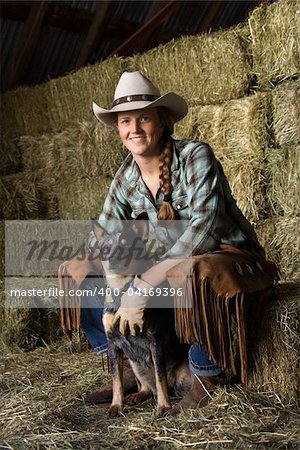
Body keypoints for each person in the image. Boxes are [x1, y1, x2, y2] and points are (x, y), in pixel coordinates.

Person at [59, 71, 278, 413]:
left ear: (162, 122)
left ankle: (207, 372)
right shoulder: (125, 178)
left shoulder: (195, 157)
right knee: (80, 269)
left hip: (222, 256)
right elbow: (101, 233)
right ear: (118, 131)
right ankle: (128, 360)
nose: (135, 128)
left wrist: (145, 281)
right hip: (165, 265)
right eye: (125, 121)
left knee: (196, 272)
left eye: (144, 118)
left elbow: (205, 232)